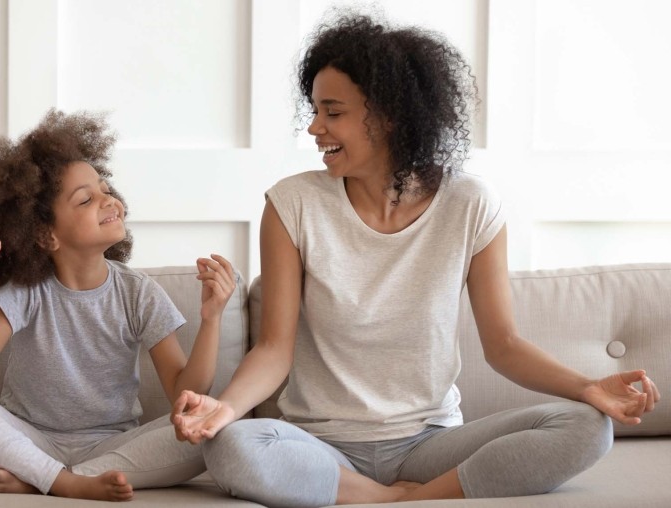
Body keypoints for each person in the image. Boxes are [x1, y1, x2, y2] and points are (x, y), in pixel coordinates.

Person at [171, 10, 660, 507]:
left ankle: (400, 494)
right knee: (231, 444)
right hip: (321, 445)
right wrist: (224, 409)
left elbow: (505, 345)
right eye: (314, 110)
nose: (315, 128)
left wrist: (588, 387)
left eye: (333, 112)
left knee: (585, 425)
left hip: (432, 442)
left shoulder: (471, 205)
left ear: (390, 115)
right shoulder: (292, 205)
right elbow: (274, 349)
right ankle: (399, 497)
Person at [0, 109, 236, 502]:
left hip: (111, 448)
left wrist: (212, 318)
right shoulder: (26, 291)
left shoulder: (138, 292)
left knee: (214, 424)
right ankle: (65, 481)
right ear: (46, 235)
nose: (107, 199)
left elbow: (185, 395)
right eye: (85, 199)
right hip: (22, 441)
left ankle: (43, 480)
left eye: (104, 188)